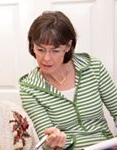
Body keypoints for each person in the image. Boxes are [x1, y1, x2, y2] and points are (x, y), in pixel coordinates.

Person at [19, 11, 117, 149]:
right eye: (40, 49)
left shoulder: (93, 67)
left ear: (68, 46)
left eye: (55, 50)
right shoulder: (29, 87)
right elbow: (46, 141)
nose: (46, 58)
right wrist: (54, 144)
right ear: (32, 46)